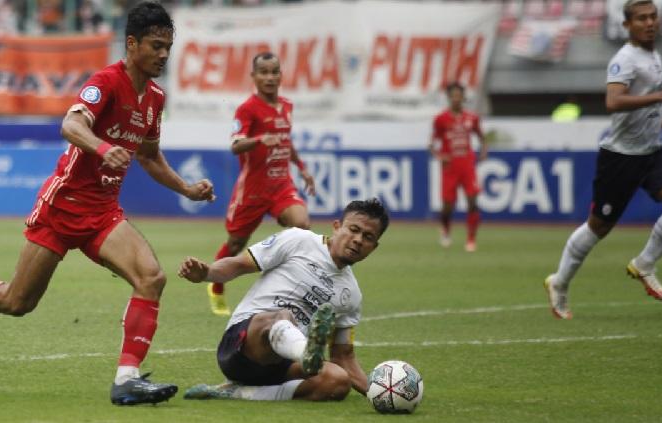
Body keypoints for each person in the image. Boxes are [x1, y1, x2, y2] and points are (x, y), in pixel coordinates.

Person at [0, 1, 215, 405]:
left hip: (103, 213)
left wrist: (186, 189)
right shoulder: (106, 82)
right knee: (17, 302)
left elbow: (149, 156)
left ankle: (127, 379)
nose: (164, 54)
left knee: (151, 277)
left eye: (168, 46)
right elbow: (70, 123)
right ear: (132, 44)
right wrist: (102, 147)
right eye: (155, 45)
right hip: (62, 207)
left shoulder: (155, 99)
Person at [178, 198, 389, 401]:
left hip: (283, 365)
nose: (358, 240)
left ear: (374, 247)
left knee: (338, 381)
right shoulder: (298, 239)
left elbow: (344, 357)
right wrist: (206, 273)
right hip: (241, 347)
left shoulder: (351, 295)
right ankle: (304, 351)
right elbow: (238, 265)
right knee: (284, 316)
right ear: (337, 226)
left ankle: (237, 393)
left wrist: (379, 394)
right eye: (353, 230)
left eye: (368, 237)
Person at [544, 0, 662, 320]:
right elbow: (613, 101)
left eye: (652, 16)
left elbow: (648, 107)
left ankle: (645, 263)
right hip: (621, 157)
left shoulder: (653, 56)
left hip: (652, 150)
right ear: (627, 25)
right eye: (641, 18)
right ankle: (559, 282)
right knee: (599, 227)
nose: (649, 22)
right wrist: (659, 98)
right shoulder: (625, 59)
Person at [207, 51, 316, 316]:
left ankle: (285, 285)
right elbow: (235, 145)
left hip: (281, 185)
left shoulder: (287, 105)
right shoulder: (247, 109)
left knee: (301, 226)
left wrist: (302, 169)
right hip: (253, 190)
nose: (269, 77)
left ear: (281, 75)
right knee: (235, 243)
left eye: (274, 71)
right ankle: (215, 284)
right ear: (253, 77)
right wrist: (258, 140)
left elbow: (285, 141)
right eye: (263, 72)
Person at [429, 82, 487, 252]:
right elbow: (431, 144)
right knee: (448, 206)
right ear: (448, 98)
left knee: (472, 201)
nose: (456, 99)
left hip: (467, 164)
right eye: (453, 95)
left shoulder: (472, 118)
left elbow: (482, 138)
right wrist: (440, 156)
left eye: (458, 95)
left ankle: (471, 239)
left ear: (463, 97)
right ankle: (446, 229)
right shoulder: (441, 119)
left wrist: (484, 151)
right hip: (450, 167)